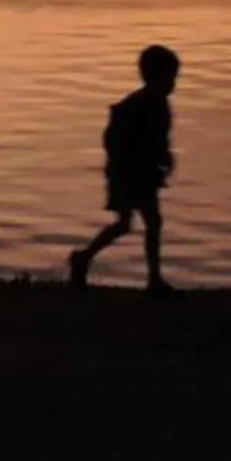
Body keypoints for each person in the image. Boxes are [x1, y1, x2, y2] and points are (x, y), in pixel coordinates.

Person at [68, 44, 180, 293]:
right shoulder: (137, 104)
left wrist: (165, 158)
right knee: (142, 223)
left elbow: (160, 139)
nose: (173, 84)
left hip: (143, 174)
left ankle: (85, 258)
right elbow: (114, 140)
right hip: (128, 174)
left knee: (135, 223)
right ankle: (152, 280)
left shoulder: (159, 104)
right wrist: (136, 163)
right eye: (170, 77)